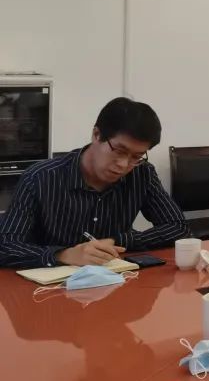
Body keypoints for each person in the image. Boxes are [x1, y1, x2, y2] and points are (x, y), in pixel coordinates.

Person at [0, 97, 189, 268]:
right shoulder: (40, 178)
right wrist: (63, 254)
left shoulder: (142, 174)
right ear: (96, 134)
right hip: (48, 286)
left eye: (136, 157)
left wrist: (118, 241)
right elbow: (6, 246)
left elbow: (178, 228)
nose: (124, 165)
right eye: (119, 151)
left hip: (116, 280)